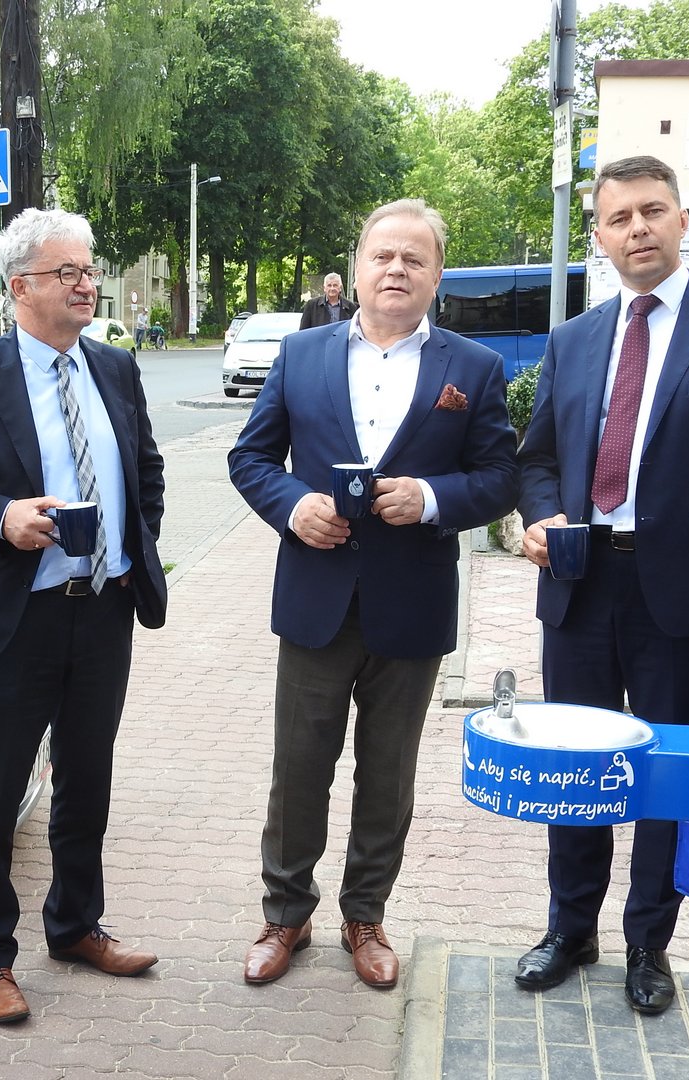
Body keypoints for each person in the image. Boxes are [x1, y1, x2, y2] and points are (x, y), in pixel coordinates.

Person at [515, 155, 689, 1015]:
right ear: (598, 235)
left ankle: (647, 944)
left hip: (685, 590)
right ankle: (570, 928)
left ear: (681, 221)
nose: (637, 228)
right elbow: (536, 458)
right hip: (579, 581)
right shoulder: (573, 339)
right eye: (619, 217)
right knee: (576, 765)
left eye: (652, 211)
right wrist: (542, 517)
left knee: (663, 772)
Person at [228, 198, 519, 989]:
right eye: (382, 256)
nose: (396, 269)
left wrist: (431, 498)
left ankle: (366, 917)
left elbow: (500, 477)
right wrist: (294, 506)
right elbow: (251, 458)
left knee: (387, 776)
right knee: (299, 769)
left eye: (413, 259)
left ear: (436, 275)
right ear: (356, 269)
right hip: (316, 598)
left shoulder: (474, 368)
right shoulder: (301, 354)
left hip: (412, 604)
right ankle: (285, 915)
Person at [0, 207, 167, 1025]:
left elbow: (146, 470)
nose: (86, 284)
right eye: (67, 273)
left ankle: (77, 925)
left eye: (89, 270)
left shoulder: (114, 367)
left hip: (103, 609)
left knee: (88, 779)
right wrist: (1, 516)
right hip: (14, 619)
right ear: (19, 287)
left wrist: (132, 549)